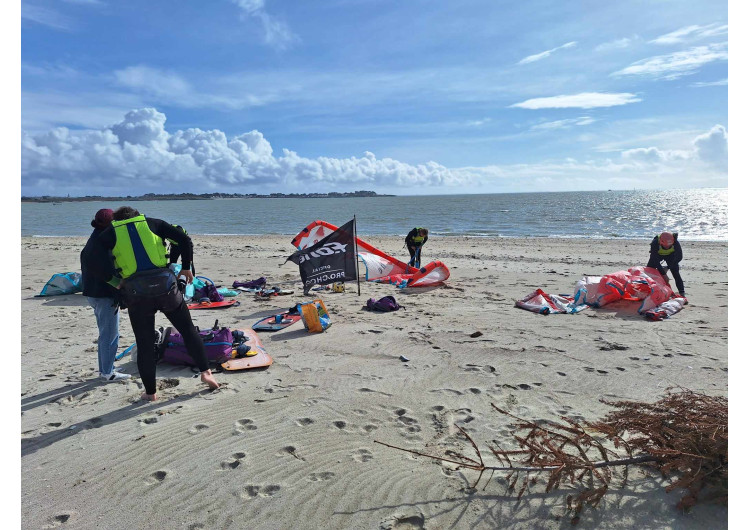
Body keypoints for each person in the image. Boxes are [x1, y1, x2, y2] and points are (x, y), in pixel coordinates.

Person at [89, 206, 219, 401]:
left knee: (146, 343)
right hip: (166, 289)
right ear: (136, 215)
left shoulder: (109, 233)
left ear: (116, 220)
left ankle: (150, 393)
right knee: (187, 330)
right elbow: (184, 239)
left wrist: (116, 282)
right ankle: (206, 373)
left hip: (137, 295)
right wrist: (186, 267)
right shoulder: (153, 223)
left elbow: (91, 260)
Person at [80, 209, 131, 382]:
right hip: (102, 295)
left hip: (93, 293)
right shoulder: (102, 242)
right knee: (110, 334)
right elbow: (99, 268)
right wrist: (118, 284)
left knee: (106, 333)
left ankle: (106, 367)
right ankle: (108, 372)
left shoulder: (96, 237)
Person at [647, 231, 686, 297]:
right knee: (649, 271)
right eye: (665, 246)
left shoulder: (675, 242)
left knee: (676, 273)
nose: (667, 247)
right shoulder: (655, 242)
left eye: (669, 246)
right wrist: (663, 274)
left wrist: (668, 267)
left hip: (671, 255)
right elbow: (655, 260)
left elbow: (679, 257)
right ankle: (648, 290)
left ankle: (682, 293)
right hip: (657, 255)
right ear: (661, 242)